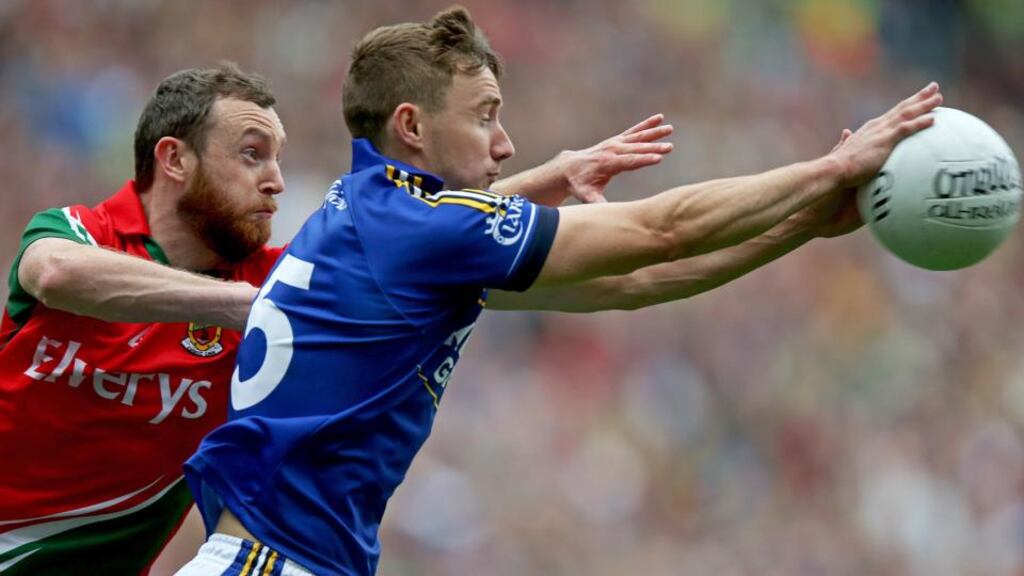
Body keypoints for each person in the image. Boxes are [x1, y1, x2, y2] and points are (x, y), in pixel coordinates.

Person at [179, 7, 943, 575]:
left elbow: (637, 281)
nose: (505, 142)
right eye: (484, 117)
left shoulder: (369, 221)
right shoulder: (418, 231)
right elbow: (660, 231)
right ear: (411, 126)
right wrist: (828, 172)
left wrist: (805, 223)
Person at [0, 58, 676, 574]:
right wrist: (257, 307)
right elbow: (54, 274)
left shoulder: (281, 280)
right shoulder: (81, 232)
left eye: (279, 158)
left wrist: (554, 174)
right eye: (250, 153)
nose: (276, 180)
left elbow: (408, 237)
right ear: (174, 159)